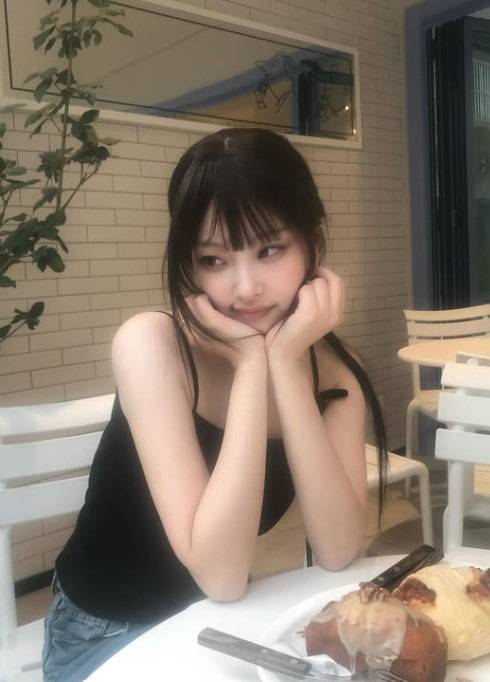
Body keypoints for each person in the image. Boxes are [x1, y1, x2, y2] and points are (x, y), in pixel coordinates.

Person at [42, 127, 387, 681]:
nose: (245, 288)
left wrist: (285, 365)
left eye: (269, 249)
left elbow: (338, 549)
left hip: (222, 623)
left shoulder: (335, 370)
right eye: (214, 259)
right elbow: (221, 574)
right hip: (108, 632)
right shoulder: (152, 345)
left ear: (312, 240)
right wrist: (251, 365)